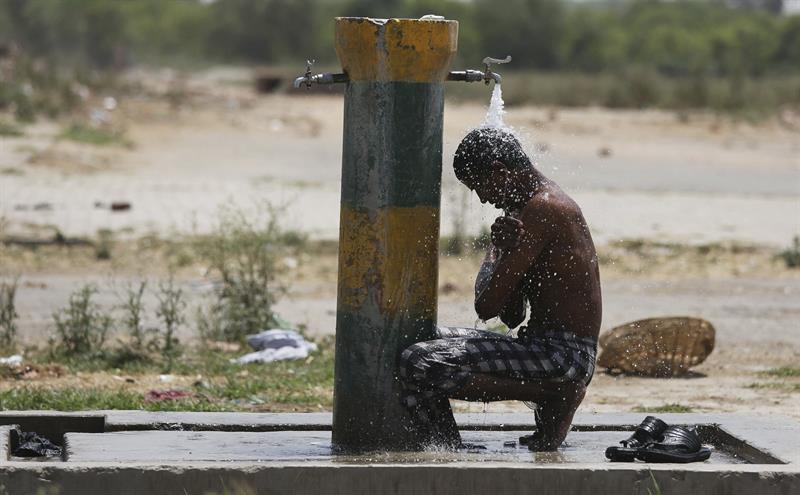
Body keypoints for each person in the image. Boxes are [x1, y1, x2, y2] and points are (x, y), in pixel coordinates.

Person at [399, 127, 602, 451]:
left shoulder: (544, 208)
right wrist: (503, 251)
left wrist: (497, 251)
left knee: (419, 361)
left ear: (500, 171)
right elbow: (511, 314)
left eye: (480, 186)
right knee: (415, 336)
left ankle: (553, 392)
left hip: (565, 356)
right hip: (541, 347)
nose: (483, 198)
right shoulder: (522, 210)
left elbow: (486, 307)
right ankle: (446, 451)